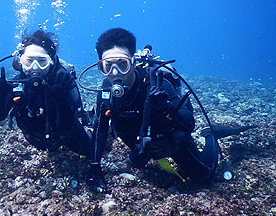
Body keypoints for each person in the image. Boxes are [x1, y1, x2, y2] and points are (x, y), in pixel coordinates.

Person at [85, 28, 253, 193]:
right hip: (141, 145)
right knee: (135, 163)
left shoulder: (156, 84)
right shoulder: (106, 93)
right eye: (107, 67)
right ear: (101, 67)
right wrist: (94, 166)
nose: (115, 73)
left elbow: (188, 124)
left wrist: (167, 109)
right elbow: (100, 130)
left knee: (204, 177)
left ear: (133, 62)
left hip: (171, 142)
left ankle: (210, 134)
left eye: (123, 65)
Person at [0, 30, 91, 159]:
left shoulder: (62, 83)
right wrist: (0, 96)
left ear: (50, 61)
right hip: (34, 138)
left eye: (42, 61)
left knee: (91, 151)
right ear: (20, 60)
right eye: (29, 61)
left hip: (65, 137)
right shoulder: (17, 84)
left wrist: (61, 99)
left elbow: (67, 127)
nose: (35, 67)